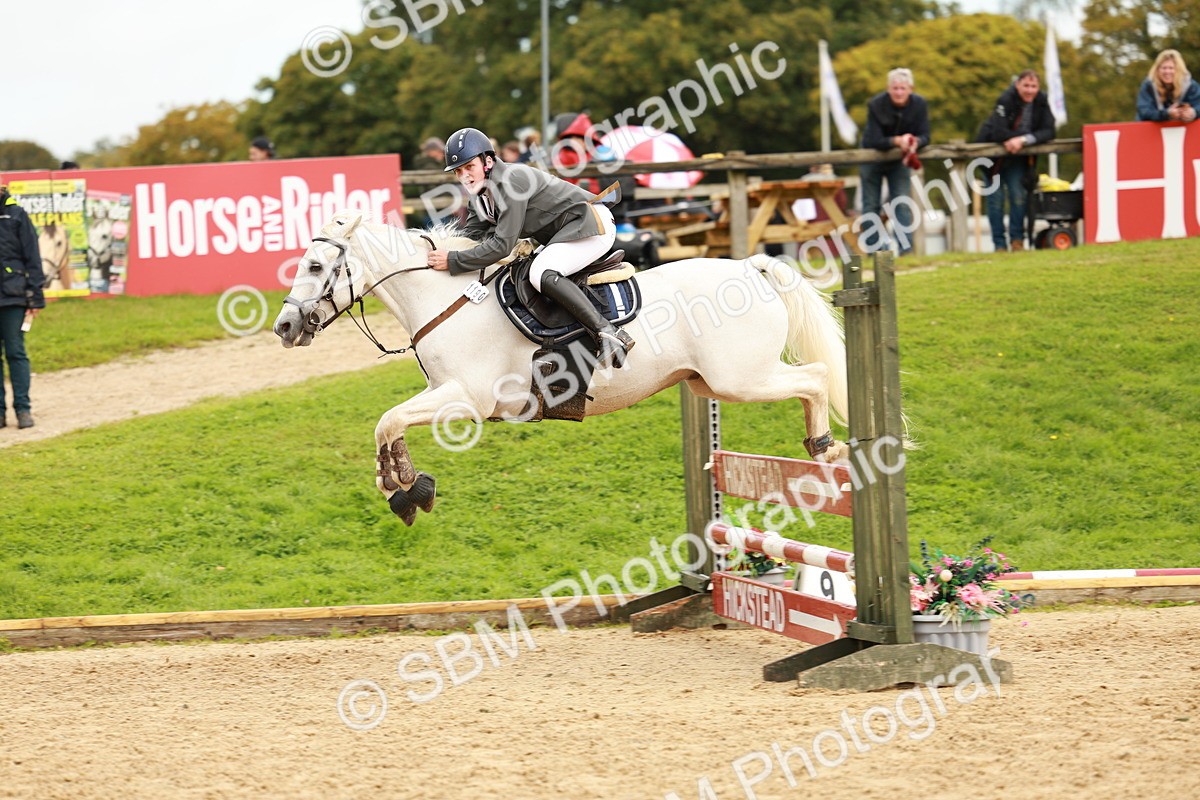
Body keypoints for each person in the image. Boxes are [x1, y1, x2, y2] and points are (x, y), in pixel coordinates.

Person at [426, 127, 634, 368]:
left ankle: (609, 333)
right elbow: (471, 239)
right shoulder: (479, 197)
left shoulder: (512, 180)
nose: (465, 176)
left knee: (540, 272)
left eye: (469, 167)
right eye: (458, 171)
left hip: (591, 224)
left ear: (488, 161)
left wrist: (452, 261)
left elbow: (502, 246)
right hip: (566, 233)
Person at [976, 70, 1055, 252]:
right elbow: (998, 133)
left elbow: (1050, 131)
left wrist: (1024, 140)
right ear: (1017, 85)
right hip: (992, 159)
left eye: (1033, 86)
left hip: (1018, 157)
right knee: (996, 200)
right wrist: (1021, 137)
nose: (1029, 90)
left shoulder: (1042, 101)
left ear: (1038, 87)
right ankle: (999, 244)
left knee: (1018, 197)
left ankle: (1017, 241)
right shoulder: (1005, 99)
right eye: (1026, 86)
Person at [859, 68, 930, 256]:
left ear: (911, 89)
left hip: (899, 160)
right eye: (895, 88)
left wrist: (915, 142)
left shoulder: (920, 104)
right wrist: (897, 141)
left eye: (903, 88)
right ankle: (874, 252)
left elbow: (926, 135)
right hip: (872, 157)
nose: (899, 92)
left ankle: (906, 251)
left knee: (901, 202)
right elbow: (873, 140)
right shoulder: (875, 104)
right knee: (870, 205)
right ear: (888, 89)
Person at [0, 184, 46, 429]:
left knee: (16, 353)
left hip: (13, 297)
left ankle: (23, 409)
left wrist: (35, 297)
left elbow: (33, 258)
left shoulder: (17, 215)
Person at [1136, 50, 1200, 123]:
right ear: (1157, 70)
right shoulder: (1148, 85)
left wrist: (1193, 112)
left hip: (1184, 131)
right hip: (1151, 130)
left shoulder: (1190, 85)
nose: (1167, 72)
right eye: (1164, 68)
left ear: (1178, 70)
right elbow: (1144, 111)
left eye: (1171, 68)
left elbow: (1198, 104)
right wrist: (1167, 114)